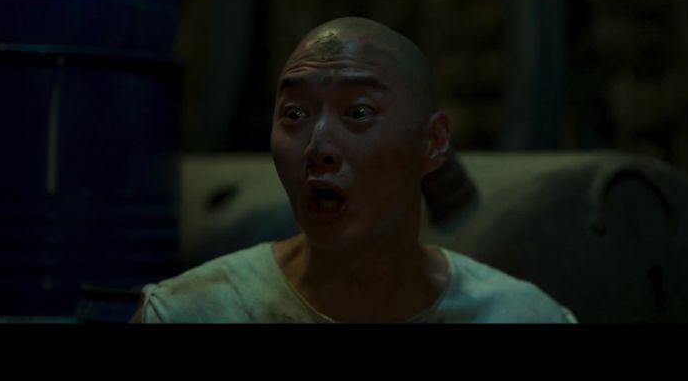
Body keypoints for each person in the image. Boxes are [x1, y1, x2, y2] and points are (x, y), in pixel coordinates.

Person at [130, 17, 577, 323]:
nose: (318, 147)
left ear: (434, 141)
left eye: (358, 113)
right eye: (294, 114)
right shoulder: (193, 311)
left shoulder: (520, 315)